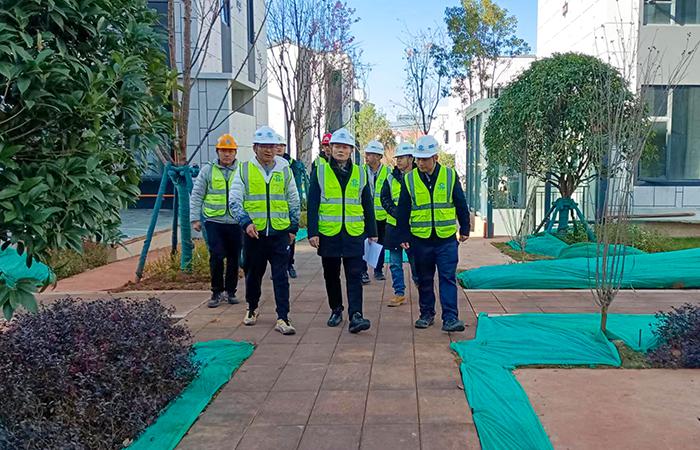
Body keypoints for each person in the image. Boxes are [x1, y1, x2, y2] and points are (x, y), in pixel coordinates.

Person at [230, 126, 301, 335]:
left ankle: (283, 317)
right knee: (253, 274)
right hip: (255, 234)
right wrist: (245, 223)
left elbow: (293, 199)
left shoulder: (285, 170)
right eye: (264, 146)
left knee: (281, 277)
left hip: (279, 233)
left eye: (272, 146)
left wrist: (293, 227)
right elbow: (234, 200)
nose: (269, 150)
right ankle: (252, 308)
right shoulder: (244, 170)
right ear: (255, 148)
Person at [397, 135, 471, 332]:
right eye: (418, 159)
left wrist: (465, 228)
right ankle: (426, 314)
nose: (420, 163)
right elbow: (403, 209)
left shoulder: (449, 175)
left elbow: (460, 203)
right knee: (424, 279)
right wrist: (403, 235)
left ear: (435, 158)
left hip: (446, 239)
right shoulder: (409, 179)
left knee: (447, 278)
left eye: (425, 159)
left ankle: (450, 318)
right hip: (420, 239)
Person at [308, 128, 377, 334]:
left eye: (345, 147)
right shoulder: (320, 171)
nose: (341, 150)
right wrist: (313, 232)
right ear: (330, 148)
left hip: (353, 233)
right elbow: (312, 203)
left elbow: (367, 203)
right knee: (331, 275)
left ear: (351, 151)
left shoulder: (360, 173)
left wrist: (372, 231)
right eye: (337, 146)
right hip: (328, 233)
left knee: (355, 275)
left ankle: (356, 314)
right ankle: (336, 309)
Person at [190, 133, 242, 308]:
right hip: (214, 221)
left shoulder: (242, 170)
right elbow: (197, 194)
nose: (227, 154)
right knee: (217, 256)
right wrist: (195, 219)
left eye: (230, 151)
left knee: (234, 258)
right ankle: (216, 291)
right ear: (217, 152)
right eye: (223, 151)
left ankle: (231, 291)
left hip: (236, 222)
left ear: (235, 153)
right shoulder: (208, 170)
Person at [381, 141, 418, 307]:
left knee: (416, 261)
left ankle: (421, 287)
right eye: (397, 158)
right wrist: (395, 212)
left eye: (402, 157)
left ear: (411, 158)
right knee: (395, 263)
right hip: (394, 226)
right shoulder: (390, 178)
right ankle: (399, 293)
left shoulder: (418, 177)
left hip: (413, 227)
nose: (398, 161)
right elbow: (384, 198)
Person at [275, 134, 309, 279]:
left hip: (290, 205)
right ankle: (279, 267)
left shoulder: (293, 165)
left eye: (281, 146)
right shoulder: (269, 165)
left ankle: (290, 264)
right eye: (277, 146)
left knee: (291, 236)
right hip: (275, 207)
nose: (279, 148)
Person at [361, 140, 390, 284]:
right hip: (364, 215)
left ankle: (378, 270)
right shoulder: (360, 171)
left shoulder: (388, 173)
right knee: (362, 243)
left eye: (371, 154)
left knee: (380, 244)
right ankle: (363, 272)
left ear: (379, 156)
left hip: (381, 216)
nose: (367, 156)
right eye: (367, 154)